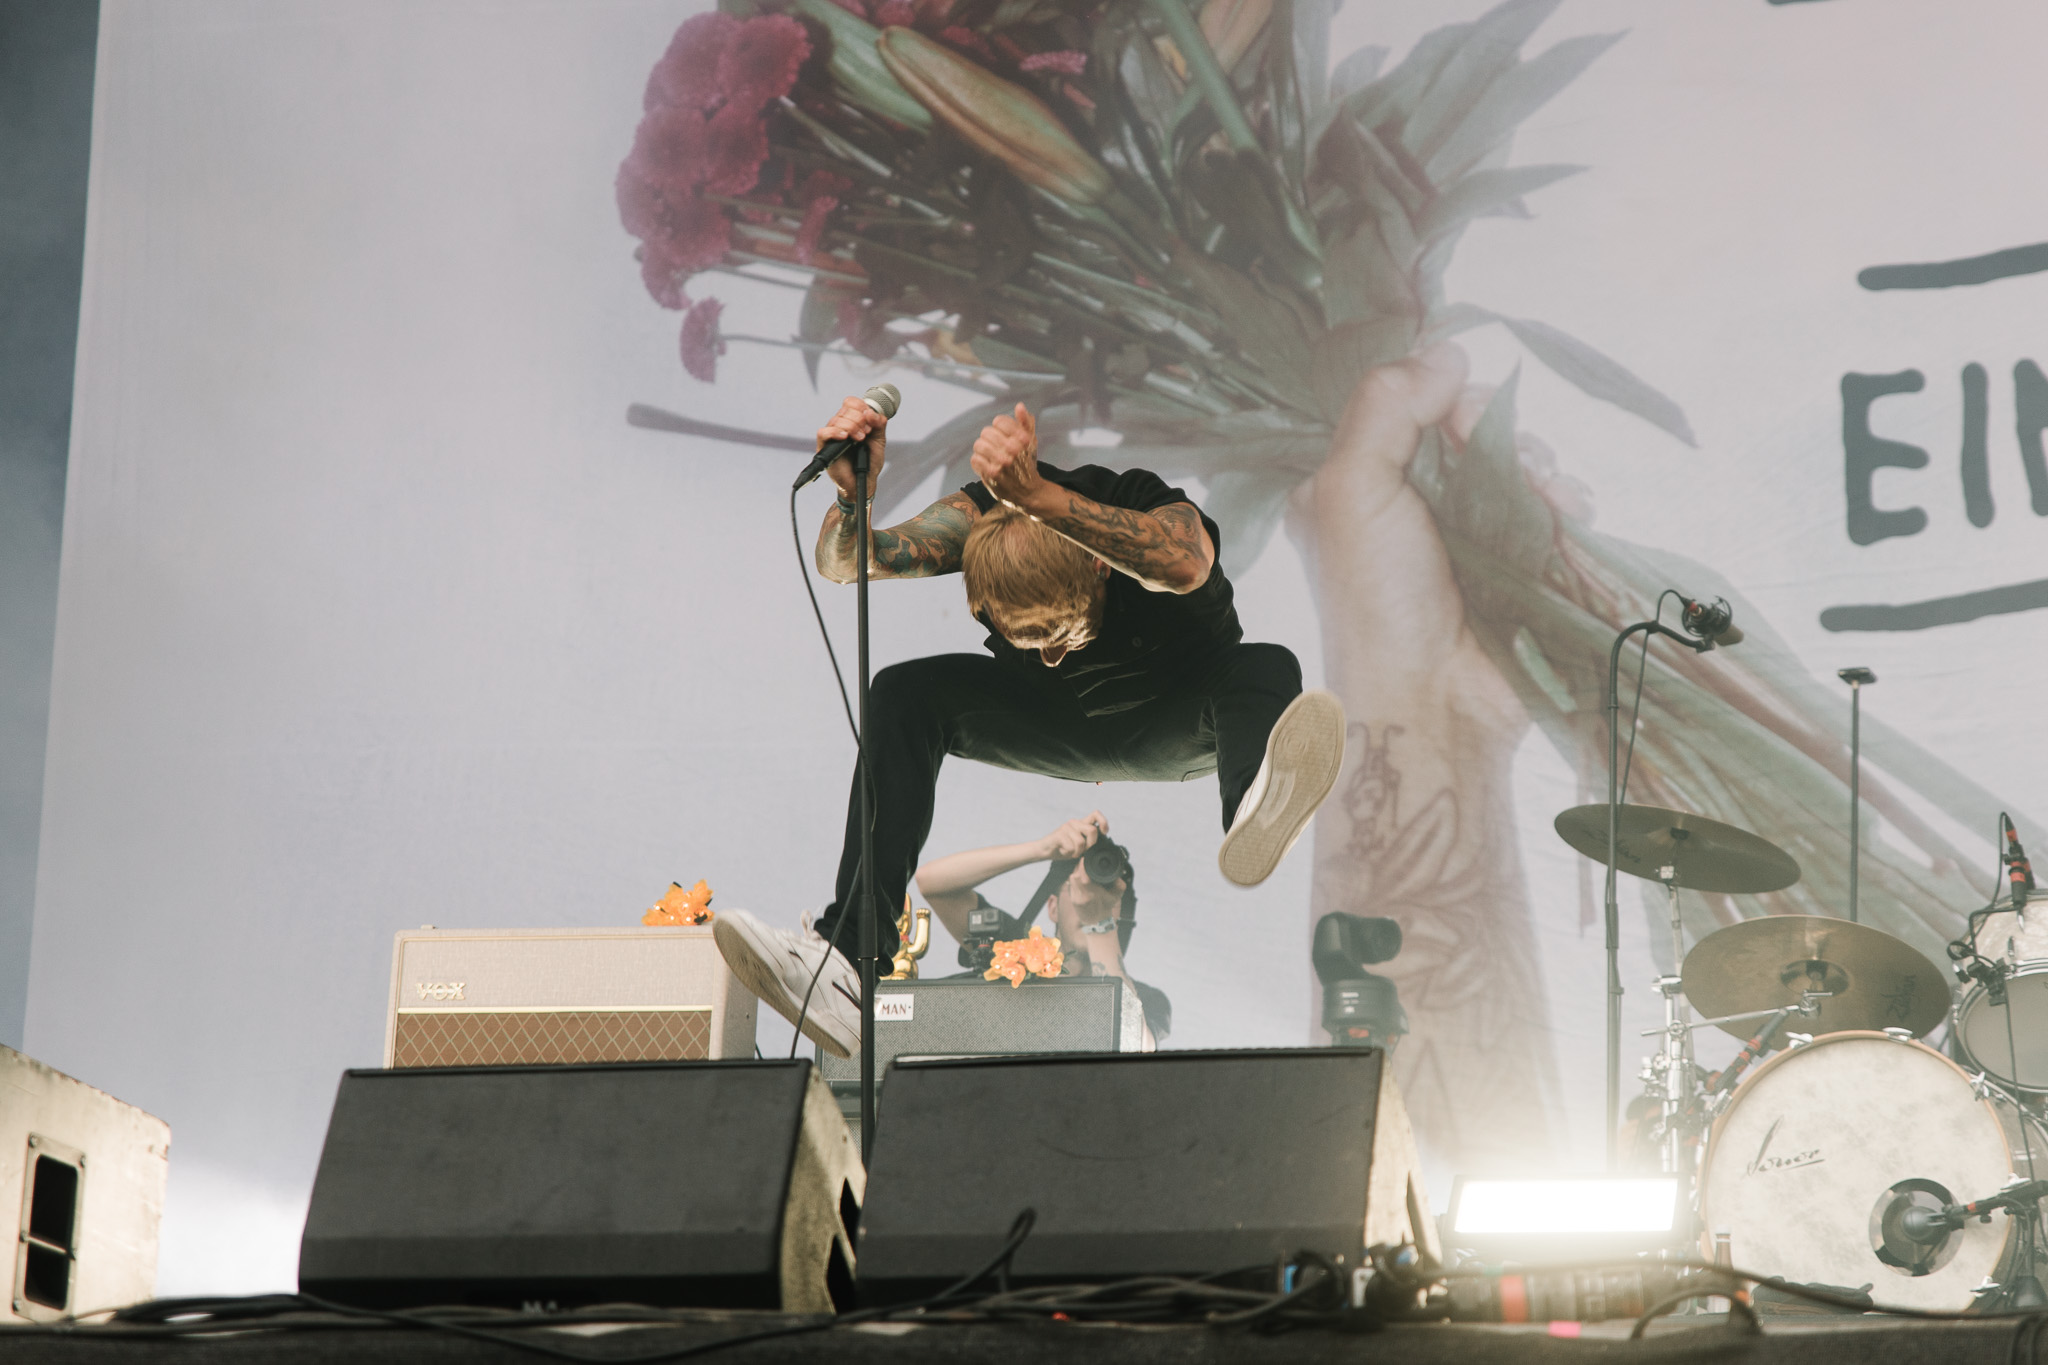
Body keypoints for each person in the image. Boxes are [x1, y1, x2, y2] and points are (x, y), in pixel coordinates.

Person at [714, 397, 1344, 1057]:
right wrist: (853, 496)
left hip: (1180, 717)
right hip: (1054, 722)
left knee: (1267, 664)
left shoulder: (1141, 505)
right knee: (903, 693)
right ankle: (848, 961)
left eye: (1062, 636)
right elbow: (849, 564)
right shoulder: (977, 521)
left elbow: (1187, 562)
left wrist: (1040, 496)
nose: (1049, 656)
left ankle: (1255, 799)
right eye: (1029, 640)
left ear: (1099, 565)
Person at [916, 810, 1169, 1049]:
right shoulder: (1014, 955)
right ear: (1053, 907)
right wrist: (1042, 849)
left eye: (1106, 895)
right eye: (1078, 889)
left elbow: (1134, 1050)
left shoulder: (1145, 999)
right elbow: (931, 883)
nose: (1090, 899)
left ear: (1120, 916)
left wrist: (1099, 923)